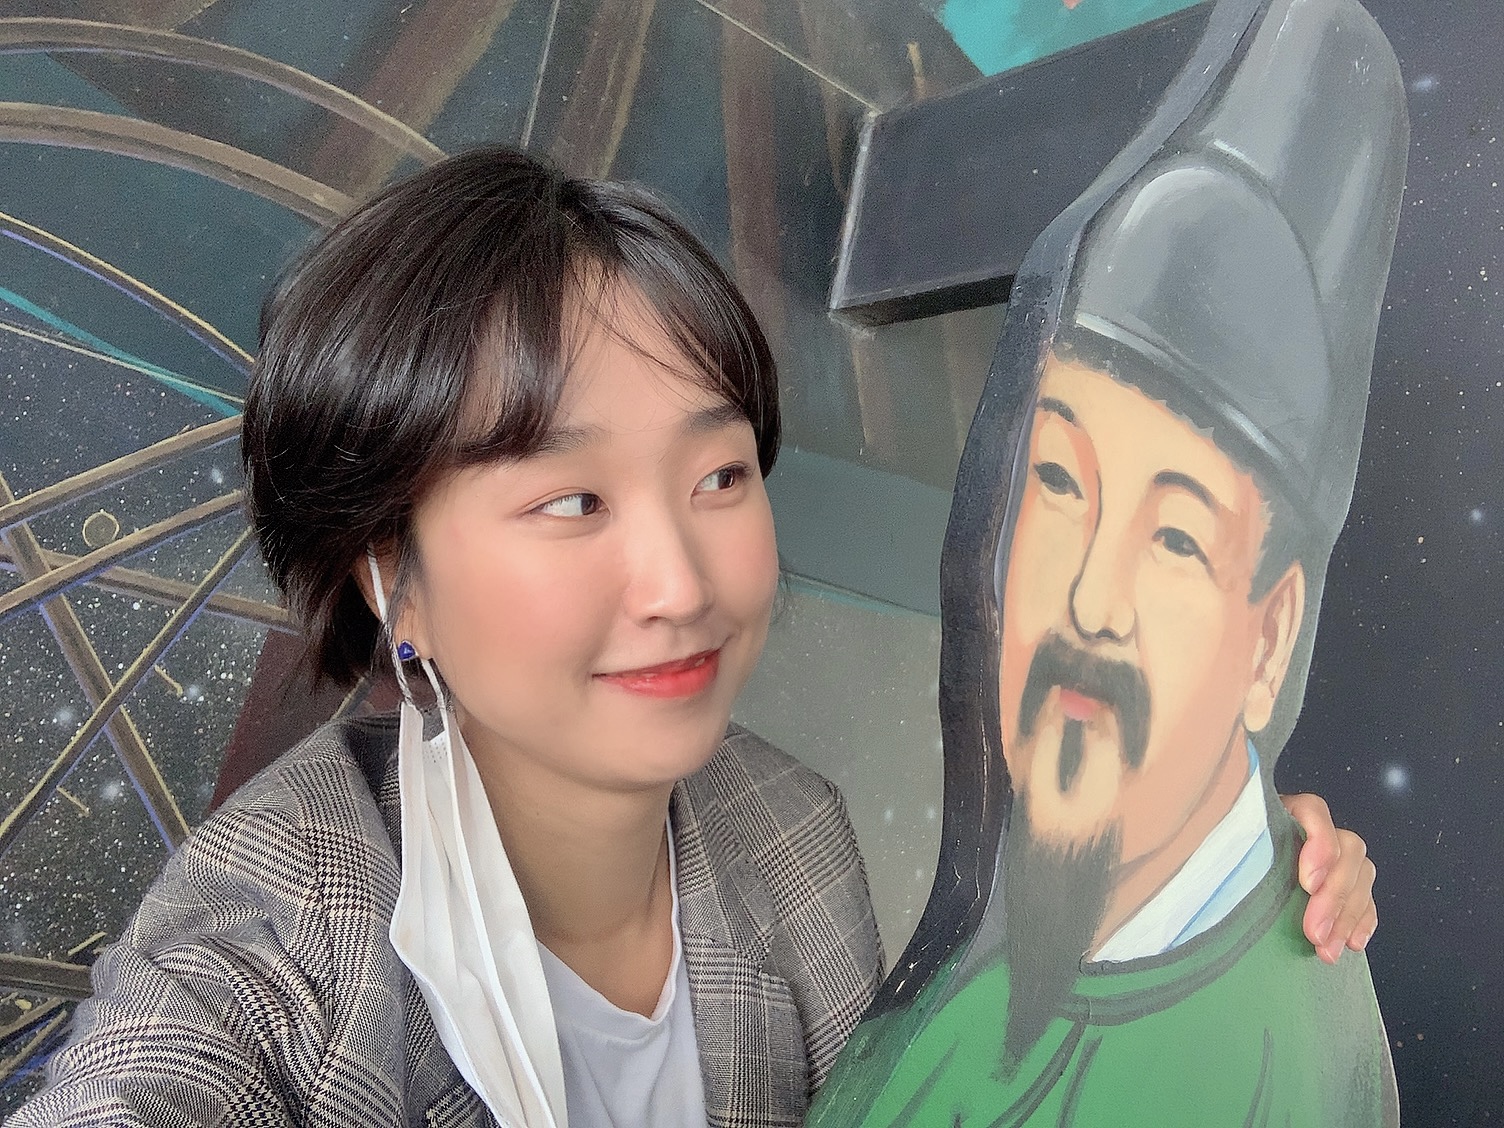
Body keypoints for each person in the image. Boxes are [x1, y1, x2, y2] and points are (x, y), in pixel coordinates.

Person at [9, 146, 1379, 1128]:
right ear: (392, 580)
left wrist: (1230, 875)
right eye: (571, 500)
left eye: (719, 476)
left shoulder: (788, 835)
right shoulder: (266, 948)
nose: (679, 581)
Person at [806, 0, 1404, 1122]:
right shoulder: (986, 971)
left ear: (1269, 637)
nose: (1089, 600)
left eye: (1175, 536)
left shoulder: (1270, 1064)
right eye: (1060, 482)